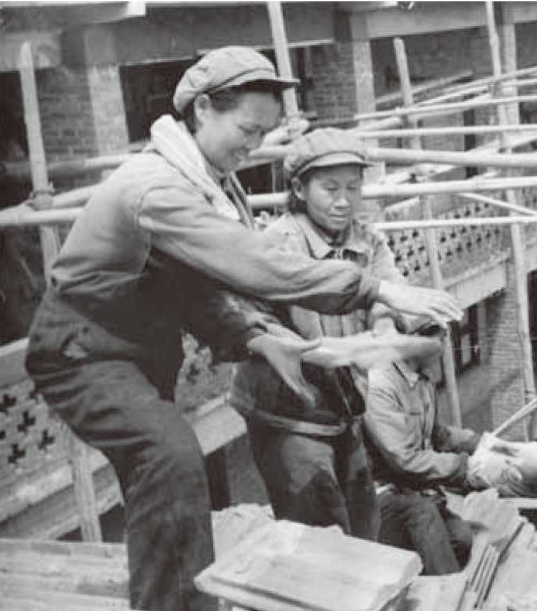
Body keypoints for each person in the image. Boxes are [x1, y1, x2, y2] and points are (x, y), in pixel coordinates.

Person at [24, 47, 461, 611]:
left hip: (139, 353)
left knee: (158, 476)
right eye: (248, 130)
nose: (254, 146)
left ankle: (167, 595)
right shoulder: (157, 187)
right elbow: (253, 263)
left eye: (263, 134)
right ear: (203, 109)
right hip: (84, 353)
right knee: (170, 457)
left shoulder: (208, 181)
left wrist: (256, 338)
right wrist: (375, 289)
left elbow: (193, 290)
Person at [230, 127, 433, 541]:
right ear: (299, 189)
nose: (344, 201)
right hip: (288, 411)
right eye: (330, 188)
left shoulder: (366, 240)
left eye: (353, 188)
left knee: (363, 520)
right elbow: (258, 323)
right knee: (318, 528)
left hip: (343, 406)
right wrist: (338, 350)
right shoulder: (277, 246)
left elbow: (388, 292)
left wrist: (383, 326)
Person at [363, 330, 526, 575]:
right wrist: (467, 468)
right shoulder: (380, 387)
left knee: (461, 539)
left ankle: (428, 576)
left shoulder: (421, 379)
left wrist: (483, 444)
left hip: (412, 488)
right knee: (422, 514)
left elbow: (438, 434)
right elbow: (405, 460)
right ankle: (447, 591)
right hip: (381, 495)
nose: (443, 346)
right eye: (438, 339)